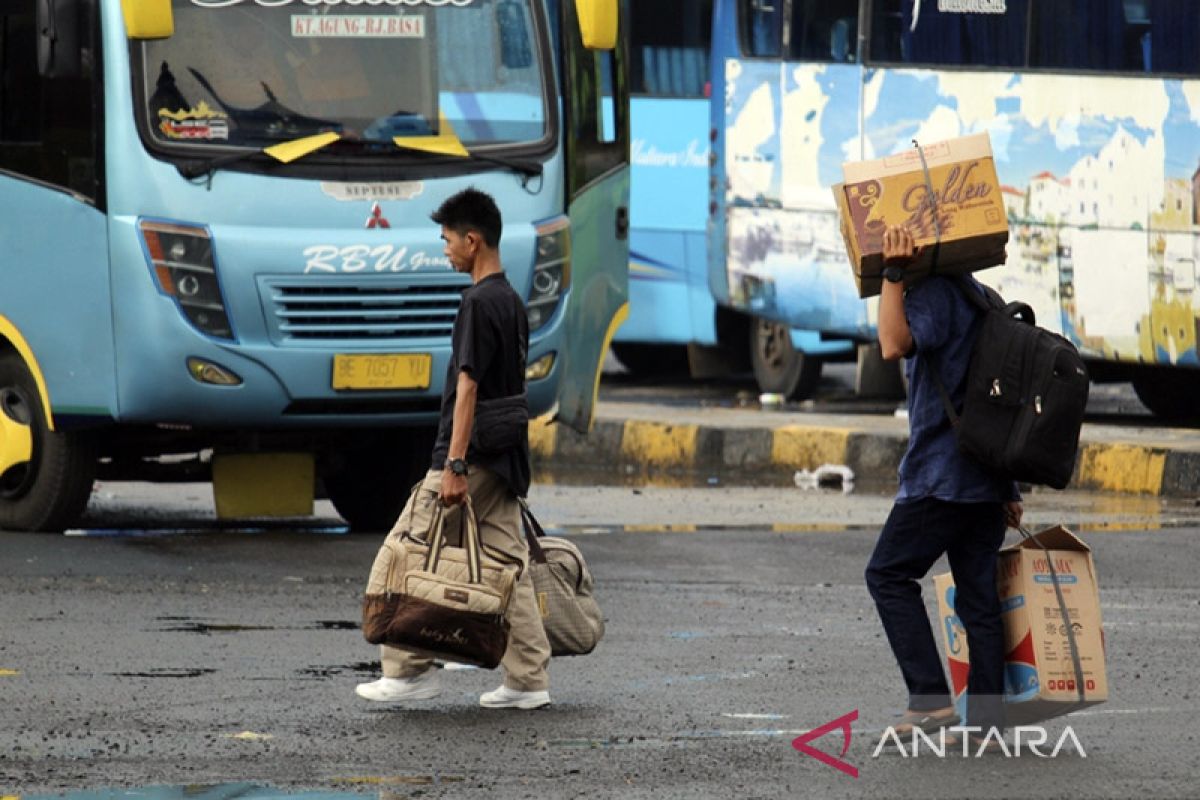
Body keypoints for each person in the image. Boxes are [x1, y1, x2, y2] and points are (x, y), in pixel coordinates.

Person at [355, 188, 551, 710]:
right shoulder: (510, 300)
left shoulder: (476, 303)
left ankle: (408, 669)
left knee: (411, 543)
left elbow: (468, 387)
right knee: (510, 566)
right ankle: (529, 682)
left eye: (447, 240)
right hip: (507, 453)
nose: (445, 250)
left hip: (473, 456)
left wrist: (454, 464)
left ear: (472, 240)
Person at [865, 224, 1022, 746]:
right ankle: (986, 723)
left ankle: (930, 700)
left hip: (941, 475)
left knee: (888, 575)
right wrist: (1009, 489)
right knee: (978, 601)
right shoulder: (982, 298)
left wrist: (892, 273)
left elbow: (892, 344)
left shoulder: (935, 293)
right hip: (984, 476)